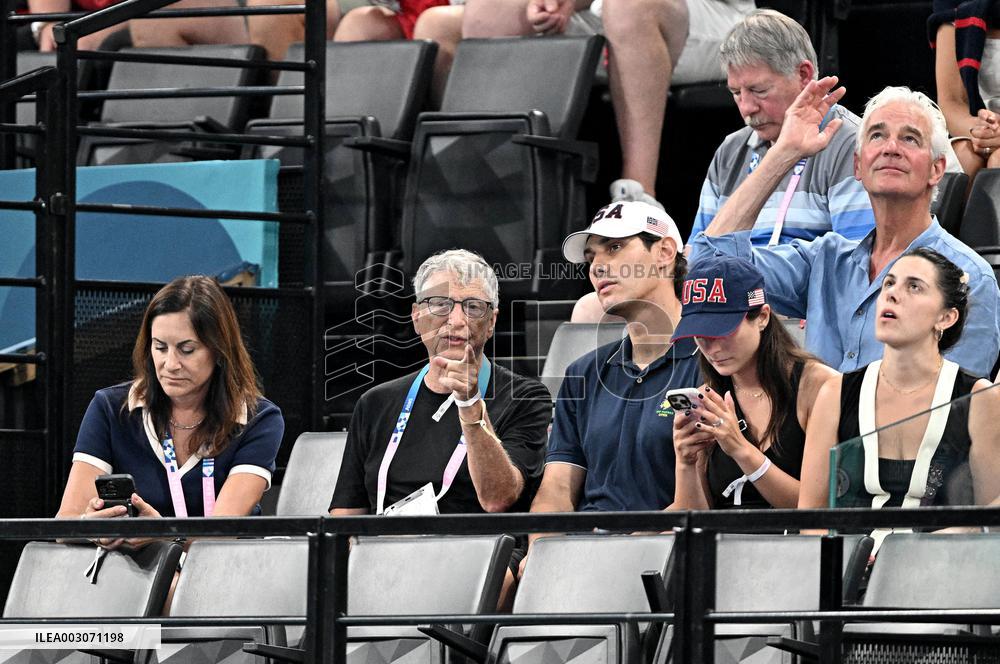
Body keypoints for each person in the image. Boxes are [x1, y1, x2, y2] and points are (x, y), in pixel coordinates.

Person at [689, 84, 1000, 376]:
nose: (891, 148)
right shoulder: (824, 258)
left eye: (910, 139)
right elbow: (707, 269)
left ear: (937, 170)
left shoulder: (970, 277)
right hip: (812, 433)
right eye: (877, 136)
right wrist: (784, 152)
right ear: (857, 166)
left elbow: (958, 412)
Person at [520, 200, 699, 563]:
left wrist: (622, 554)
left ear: (664, 252)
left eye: (615, 247)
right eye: (591, 257)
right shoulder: (581, 373)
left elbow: (707, 500)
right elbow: (557, 488)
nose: (598, 265)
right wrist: (541, 554)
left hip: (669, 562)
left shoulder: (712, 364)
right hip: (585, 560)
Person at [56, 276, 284, 546]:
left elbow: (220, 536)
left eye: (187, 350)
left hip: (222, 575)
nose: (170, 364)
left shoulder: (259, 420)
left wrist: (160, 534)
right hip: (132, 570)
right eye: (160, 347)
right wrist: (92, 527)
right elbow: (65, 525)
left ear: (220, 351)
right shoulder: (110, 408)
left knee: (174, 584)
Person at [462, 0, 754, 208]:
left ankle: (639, 197)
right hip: (600, 10)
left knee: (629, 6)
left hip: (713, 14)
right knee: (483, 12)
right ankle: (496, 193)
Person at [329, 249, 551, 517]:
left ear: (491, 322)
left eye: (473, 306)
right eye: (440, 303)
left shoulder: (525, 398)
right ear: (416, 316)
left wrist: (469, 402)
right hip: (387, 552)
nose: (457, 321)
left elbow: (497, 499)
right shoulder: (375, 402)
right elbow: (346, 513)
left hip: (479, 552)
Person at [798, 247, 1000, 517]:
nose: (891, 294)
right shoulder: (834, 394)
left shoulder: (980, 399)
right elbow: (811, 518)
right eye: (889, 283)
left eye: (914, 287)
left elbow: (988, 523)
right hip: (850, 556)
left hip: (939, 557)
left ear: (946, 317)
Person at [691, 9, 874, 246]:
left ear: (803, 75)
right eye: (736, 93)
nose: (746, 108)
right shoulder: (730, 150)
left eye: (759, 91)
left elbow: (853, 268)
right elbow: (694, 259)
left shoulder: (853, 145)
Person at [668, 254, 837, 510]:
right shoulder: (708, 397)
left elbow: (817, 511)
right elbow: (693, 518)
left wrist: (740, 450)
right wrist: (686, 463)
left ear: (762, 317)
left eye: (721, 330)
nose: (711, 347)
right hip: (720, 545)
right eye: (699, 334)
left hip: (794, 545)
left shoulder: (819, 386)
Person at [247, 0, 463, 98]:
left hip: (469, 10)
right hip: (412, 12)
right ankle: (345, 141)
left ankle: (442, 142)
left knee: (435, 23)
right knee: (359, 25)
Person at [929, 0, 1000, 180]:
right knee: (966, 158)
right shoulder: (954, 5)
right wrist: (981, 132)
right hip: (983, 125)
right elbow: (951, 102)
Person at [27, 0, 249, 52]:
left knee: (115, 44)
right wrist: (47, 23)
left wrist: (100, 25)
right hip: (84, 20)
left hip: (157, 10)